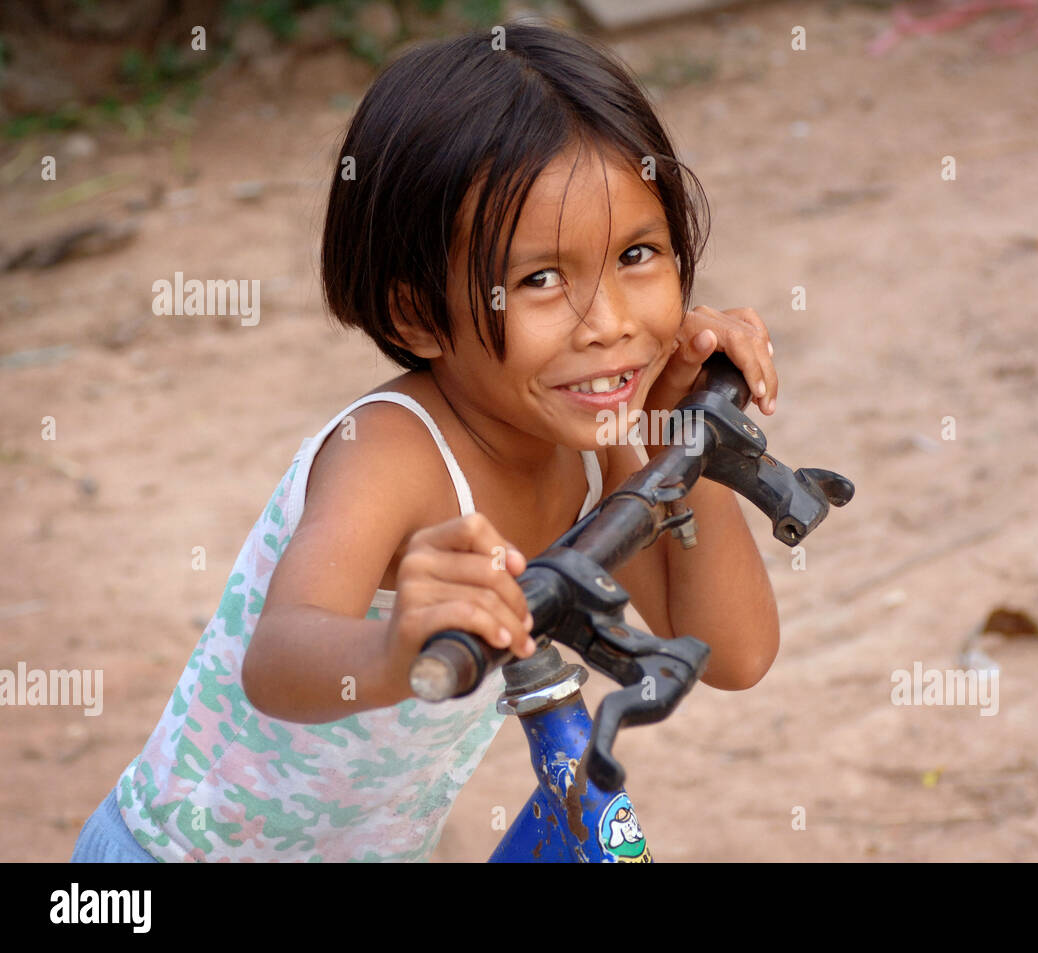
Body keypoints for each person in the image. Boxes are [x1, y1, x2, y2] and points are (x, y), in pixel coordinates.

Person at [71, 21, 781, 862]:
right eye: (540, 278)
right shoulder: (391, 451)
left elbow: (730, 651)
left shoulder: (590, 439)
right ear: (416, 313)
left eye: (636, 254)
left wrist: (682, 421)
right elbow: (279, 656)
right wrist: (389, 645)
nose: (614, 326)